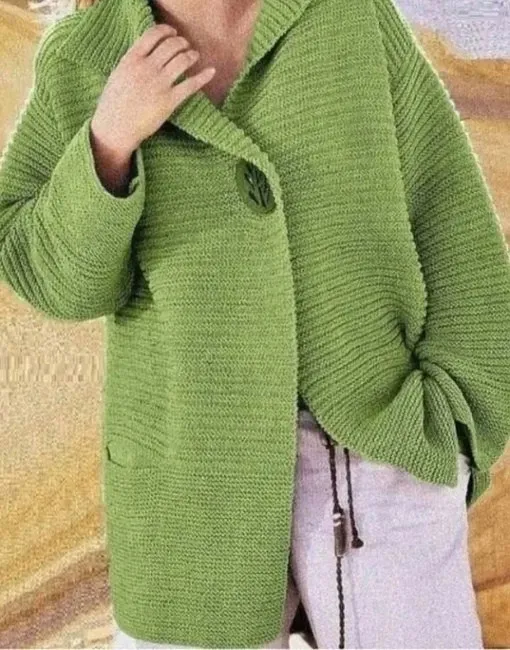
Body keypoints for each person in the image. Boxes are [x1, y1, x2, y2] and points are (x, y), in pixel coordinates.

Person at [2, 0, 509, 647]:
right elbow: (49, 276)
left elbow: (451, 217)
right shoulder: (86, 55)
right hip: (189, 488)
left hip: (380, 454)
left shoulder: (350, 20)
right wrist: (109, 141)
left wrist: (457, 423)